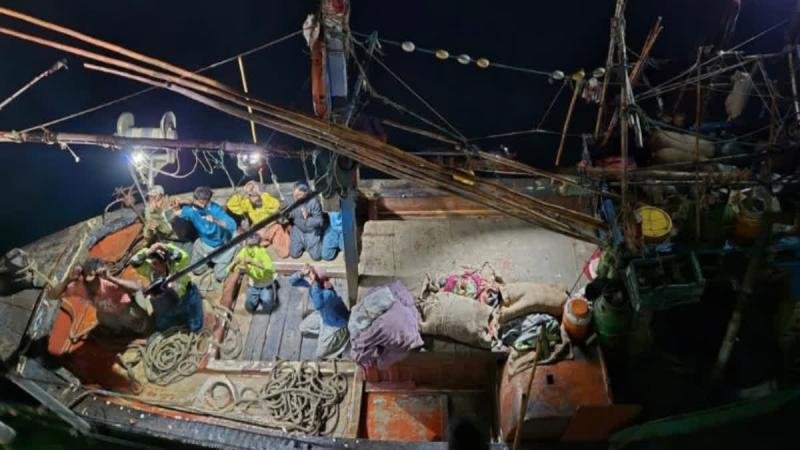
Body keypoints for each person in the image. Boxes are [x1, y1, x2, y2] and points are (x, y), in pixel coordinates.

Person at [48, 258, 149, 335]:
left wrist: (112, 279)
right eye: (87, 278)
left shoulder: (108, 283)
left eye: (95, 278)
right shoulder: (80, 286)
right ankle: (120, 330)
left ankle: (133, 326)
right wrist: (68, 280)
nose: (91, 282)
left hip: (126, 310)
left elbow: (138, 288)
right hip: (109, 313)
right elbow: (52, 296)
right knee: (101, 317)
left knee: (137, 324)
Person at [129, 243, 203, 332]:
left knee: (195, 326)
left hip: (187, 296)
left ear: (165, 261)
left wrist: (165, 247)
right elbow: (134, 262)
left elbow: (183, 256)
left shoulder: (177, 267)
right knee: (163, 326)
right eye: (153, 263)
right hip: (167, 302)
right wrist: (147, 252)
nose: (155, 266)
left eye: (159, 262)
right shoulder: (149, 270)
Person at [175, 186, 238, 282]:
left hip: (221, 246)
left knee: (220, 276)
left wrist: (216, 220)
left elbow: (232, 225)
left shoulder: (216, 210)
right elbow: (181, 212)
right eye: (195, 200)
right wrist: (176, 208)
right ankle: (205, 265)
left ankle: (230, 262)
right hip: (204, 243)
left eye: (199, 202)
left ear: (206, 201)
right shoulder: (193, 210)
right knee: (196, 269)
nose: (196, 204)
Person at [289, 265, 349, 359]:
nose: (309, 278)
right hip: (323, 315)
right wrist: (301, 273)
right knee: (302, 328)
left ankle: (338, 341)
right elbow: (292, 282)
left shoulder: (328, 293)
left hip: (336, 326)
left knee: (320, 354)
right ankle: (324, 334)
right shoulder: (316, 286)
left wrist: (313, 283)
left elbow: (318, 304)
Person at [226, 181, 291, 258]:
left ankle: (272, 240)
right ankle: (264, 242)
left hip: (272, 228)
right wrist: (243, 192)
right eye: (250, 195)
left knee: (284, 253)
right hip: (258, 231)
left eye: (255, 194)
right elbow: (231, 205)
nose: (253, 197)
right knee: (247, 250)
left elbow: (276, 205)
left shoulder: (266, 200)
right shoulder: (248, 203)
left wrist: (261, 193)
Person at [229, 233, 277, 314]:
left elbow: (268, 268)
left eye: (252, 246)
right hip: (253, 285)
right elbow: (238, 258)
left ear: (257, 245)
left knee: (267, 304)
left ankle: (272, 291)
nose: (249, 248)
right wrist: (234, 263)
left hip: (265, 284)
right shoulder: (245, 250)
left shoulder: (263, 253)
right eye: (248, 246)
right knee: (249, 306)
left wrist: (253, 262)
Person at [288, 182, 324, 260]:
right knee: (294, 254)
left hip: (311, 230)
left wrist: (308, 217)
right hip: (298, 229)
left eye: (299, 195)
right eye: (294, 194)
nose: (295, 197)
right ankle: (304, 244)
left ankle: (312, 242)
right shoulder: (291, 200)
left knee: (316, 256)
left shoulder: (313, 202)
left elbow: (320, 221)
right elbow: (287, 216)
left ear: (306, 193)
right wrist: (286, 216)